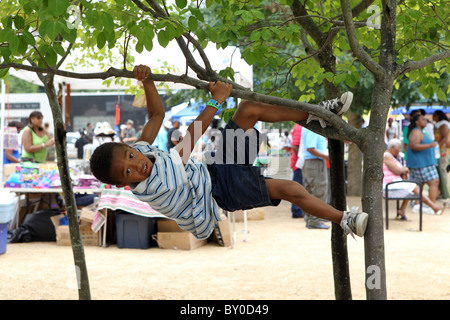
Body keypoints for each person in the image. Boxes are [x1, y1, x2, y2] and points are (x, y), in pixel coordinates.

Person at [90, 64, 368, 241]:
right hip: (220, 193)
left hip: (215, 169)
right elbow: (189, 141)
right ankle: (346, 220)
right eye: (127, 172)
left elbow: (156, 114)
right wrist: (216, 100)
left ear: (129, 147)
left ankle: (317, 115)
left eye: (130, 157)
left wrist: (147, 80)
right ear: (123, 184)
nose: (136, 165)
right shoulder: (153, 185)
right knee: (290, 188)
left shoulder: (140, 149)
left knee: (249, 109)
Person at [384, 139, 443, 218]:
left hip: (393, 182)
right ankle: (433, 206)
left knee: (412, 187)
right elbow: (397, 171)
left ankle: (402, 209)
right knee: (414, 187)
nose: (399, 150)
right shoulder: (387, 156)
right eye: (398, 148)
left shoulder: (391, 156)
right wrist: (405, 169)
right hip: (389, 184)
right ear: (393, 147)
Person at [406, 113, 441, 209]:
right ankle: (431, 206)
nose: (425, 120)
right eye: (422, 119)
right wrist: (430, 145)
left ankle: (418, 205)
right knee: (434, 182)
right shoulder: (416, 132)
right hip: (422, 164)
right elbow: (414, 146)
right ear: (416, 122)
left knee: (419, 184)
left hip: (423, 163)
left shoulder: (420, 131)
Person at [300, 127, 330, 230]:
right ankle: (314, 220)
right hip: (315, 162)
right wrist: (327, 157)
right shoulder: (313, 128)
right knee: (319, 190)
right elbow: (310, 148)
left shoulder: (308, 127)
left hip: (311, 163)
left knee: (310, 192)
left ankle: (310, 217)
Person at [432, 110, 450, 200]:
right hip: (439, 151)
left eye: (434, 115)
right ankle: (440, 191)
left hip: (442, 151)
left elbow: (444, 138)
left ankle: (443, 192)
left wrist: (437, 146)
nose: (432, 117)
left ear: (438, 116)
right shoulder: (440, 124)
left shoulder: (443, 124)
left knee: (442, 170)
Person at [290, 124, 304, 218]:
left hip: (299, 163)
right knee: (298, 187)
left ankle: (298, 210)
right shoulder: (299, 127)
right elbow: (295, 147)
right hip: (298, 164)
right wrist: (301, 159)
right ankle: (296, 211)